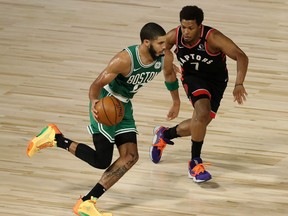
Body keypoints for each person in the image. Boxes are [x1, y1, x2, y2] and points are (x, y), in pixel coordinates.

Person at [26, 22, 178, 216]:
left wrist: (176, 102)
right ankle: (56, 138)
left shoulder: (164, 57)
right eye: (160, 43)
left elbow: (169, 75)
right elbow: (96, 85)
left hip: (124, 108)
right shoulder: (124, 60)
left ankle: (87, 202)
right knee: (101, 160)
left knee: (131, 157)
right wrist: (95, 102)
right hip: (106, 104)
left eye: (166, 42)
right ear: (146, 42)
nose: (165, 46)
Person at [149, 5, 249, 183]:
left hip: (217, 82)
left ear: (200, 26)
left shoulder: (213, 38)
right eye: (183, 26)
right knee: (202, 113)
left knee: (201, 123)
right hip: (193, 78)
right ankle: (195, 163)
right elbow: (155, 48)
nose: (186, 32)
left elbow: (241, 56)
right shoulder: (175, 35)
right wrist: (166, 60)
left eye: (191, 28)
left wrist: (239, 83)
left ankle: (165, 134)